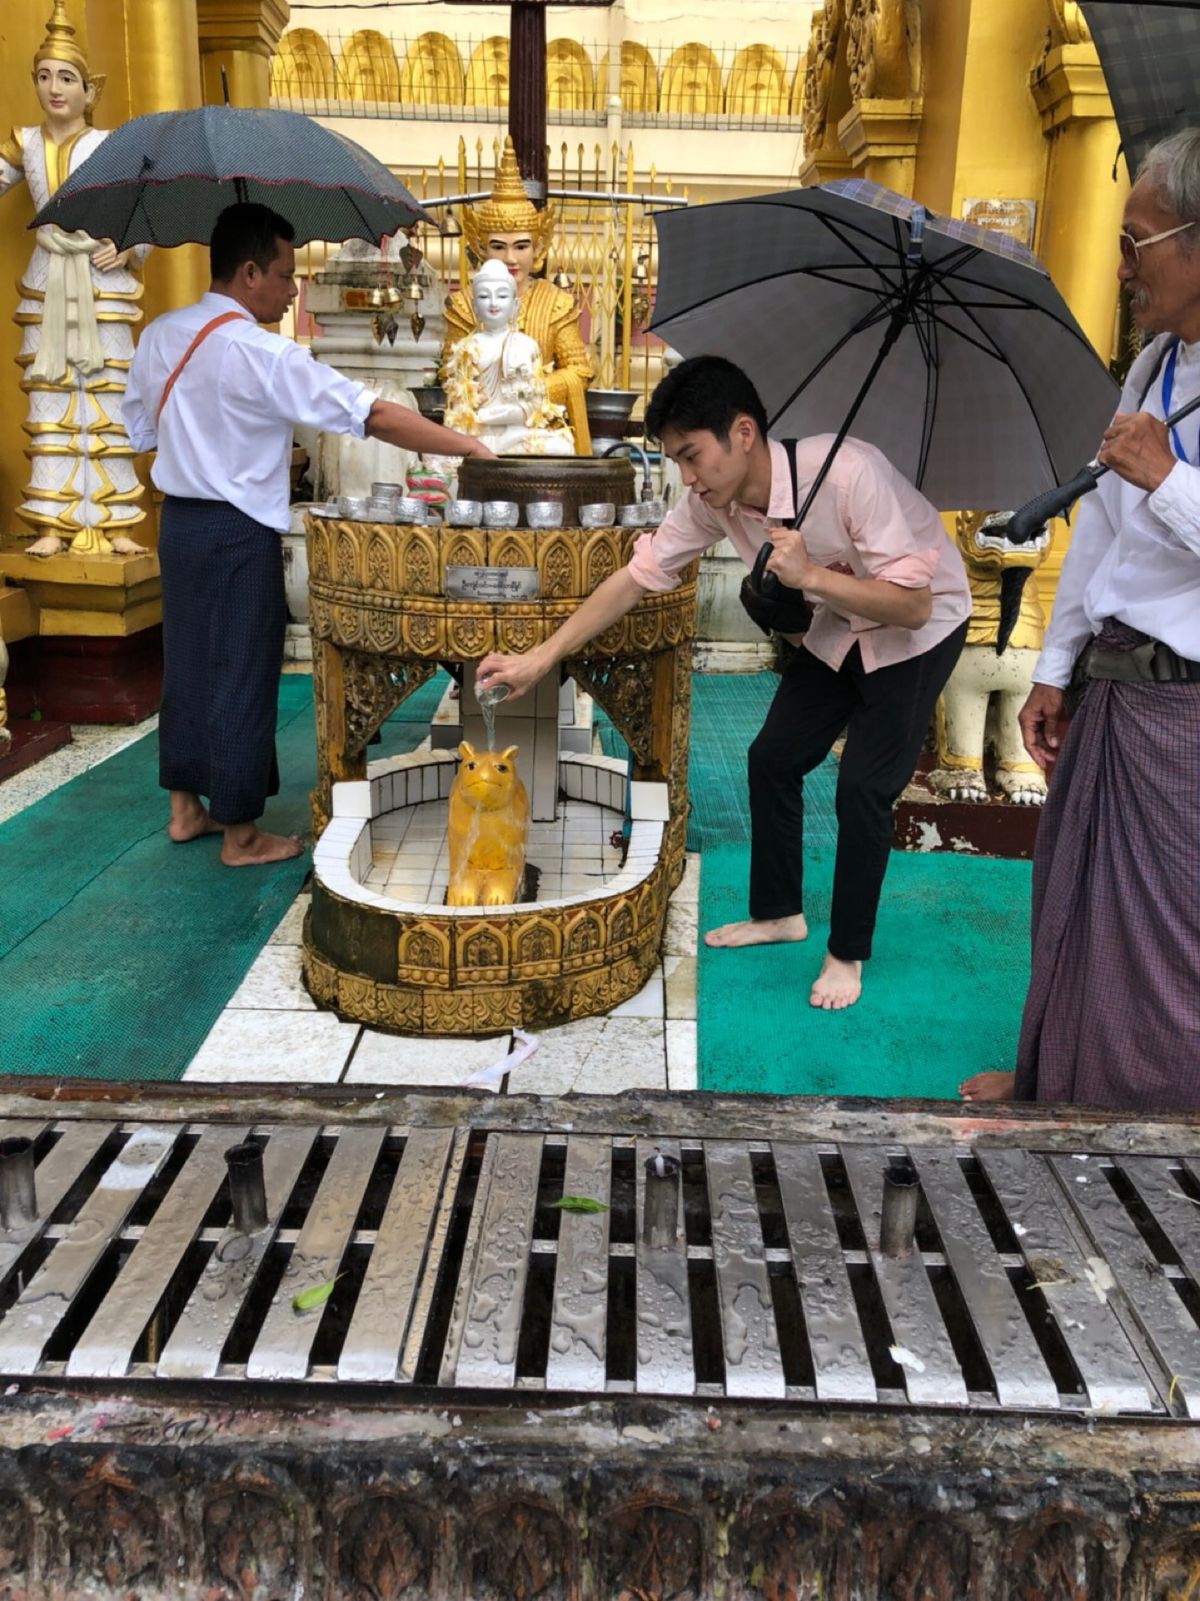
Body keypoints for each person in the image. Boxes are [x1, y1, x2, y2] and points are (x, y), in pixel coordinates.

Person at [477, 355, 970, 1009]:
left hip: (917, 634)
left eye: (691, 456)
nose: (686, 477)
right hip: (839, 629)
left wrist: (812, 577)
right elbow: (637, 577)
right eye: (676, 461)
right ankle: (778, 913)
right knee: (773, 757)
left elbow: (913, 605)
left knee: (862, 789)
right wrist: (541, 658)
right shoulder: (716, 503)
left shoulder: (852, 472)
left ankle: (846, 951)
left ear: (742, 433)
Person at [124, 202, 491, 868]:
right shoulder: (263, 354)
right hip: (238, 533)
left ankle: (186, 809)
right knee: (240, 671)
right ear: (250, 272)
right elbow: (373, 415)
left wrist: (209, 446)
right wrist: (469, 446)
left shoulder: (160, 336)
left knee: (187, 665)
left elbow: (142, 432)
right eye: (287, 274)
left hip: (179, 523)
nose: (295, 289)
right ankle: (240, 835)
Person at [960, 129, 1200, 1110]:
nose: (1122, 263)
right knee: (1075, 902)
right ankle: (1055, 1080)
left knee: (1169, 939)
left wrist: (1174, 481)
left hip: (1184, 715)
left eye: (1139, 240)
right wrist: (1055, 666)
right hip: (1114, 687)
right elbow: (1101, 534)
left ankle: (1151, 1126)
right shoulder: (1152, 368)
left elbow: (1152, 500)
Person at [0, 1, 150, 557]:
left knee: (106, 399)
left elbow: (145, 214)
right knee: (49, 399)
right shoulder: (24, 143)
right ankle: (52, 521)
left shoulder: (112, 146)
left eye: (66, 79)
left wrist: (129, 246)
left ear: (90, 90)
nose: (53, 89)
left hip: (99, 282)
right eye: (43, 77)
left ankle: (115, 526)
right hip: (47, 280)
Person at [440, 136, 593, 453]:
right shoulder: (464, 305)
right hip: (479, 425)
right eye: (498, 246)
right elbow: (451, 376)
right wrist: (476, 403)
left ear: (538, 247)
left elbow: (579, 372)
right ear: (480, 247)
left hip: (534, 426)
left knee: (555, 449)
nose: (510, 258)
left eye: (521, 246)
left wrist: (534, 393)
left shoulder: (556, 304)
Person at [440, 260, 574, 457]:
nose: (493, 303)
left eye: (502, 296)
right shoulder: (466, 347)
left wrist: (499, 416)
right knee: (443, 449)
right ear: (475, 306)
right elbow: (461, 408)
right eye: (485, 297)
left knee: (563, 447)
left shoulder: (526, 345)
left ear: (515, 305)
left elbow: (533, 406)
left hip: (516, 431)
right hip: (477, 433)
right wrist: (477, 420)